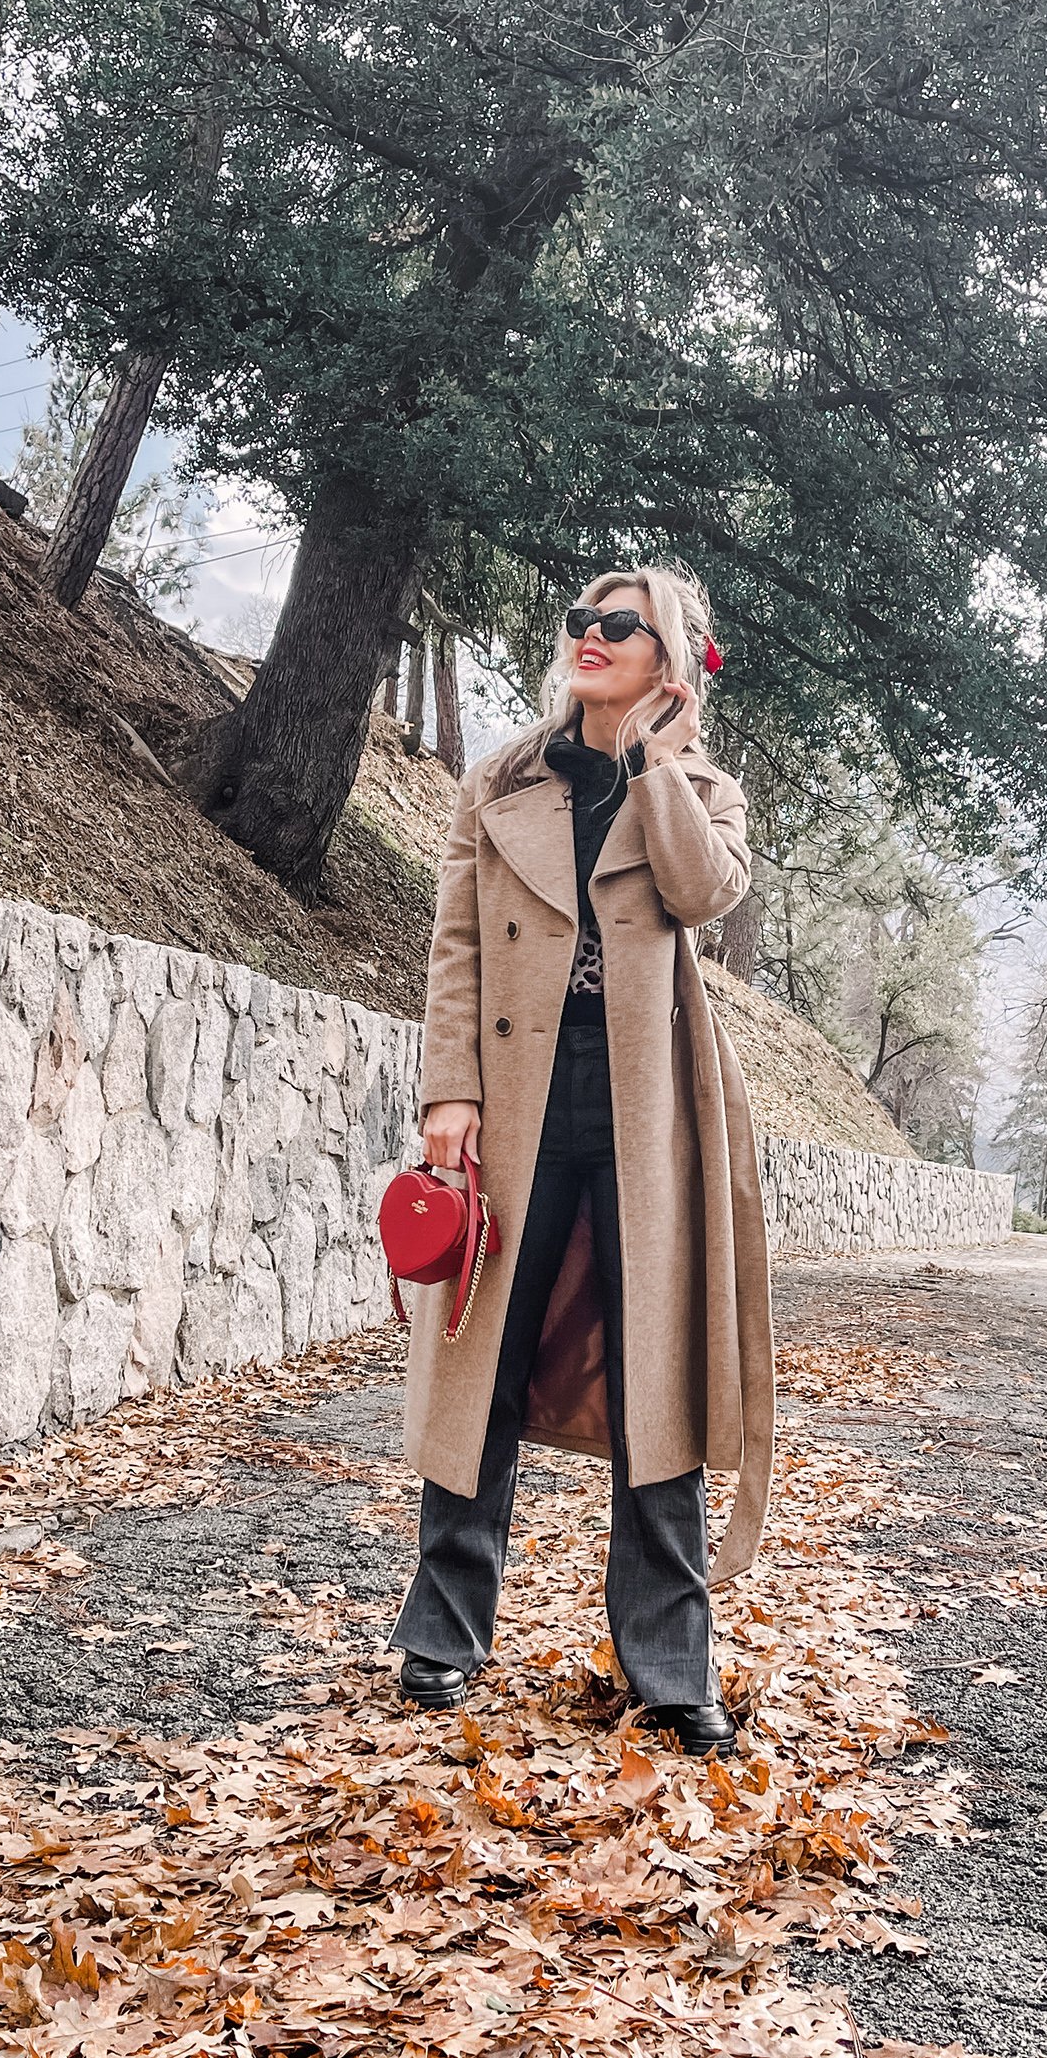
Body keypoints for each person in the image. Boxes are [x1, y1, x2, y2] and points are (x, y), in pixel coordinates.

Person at [391, 563, 774, 1756]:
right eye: (579, 621)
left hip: (646, 1113)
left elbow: (702, 896)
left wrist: (655, 763)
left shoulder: (704, 790)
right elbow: (457, 942)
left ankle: (668, 1665)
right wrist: (448, 1088)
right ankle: (442, 1635)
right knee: (480, 1363)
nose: (590, 637)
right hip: (513, 1103)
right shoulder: (499, 778)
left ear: (672, 659)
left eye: (622, 624)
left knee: (657, 1377)